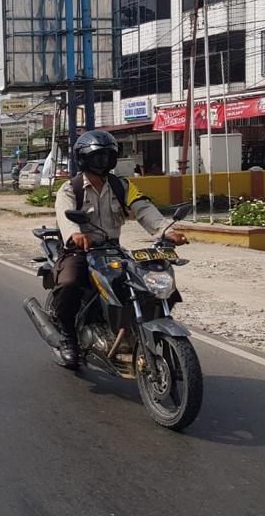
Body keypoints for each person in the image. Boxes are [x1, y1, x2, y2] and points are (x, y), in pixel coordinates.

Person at [52, 131, 188, 365]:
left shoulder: (122, 185)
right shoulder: (70, 188)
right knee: (70, 283)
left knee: (152, 284)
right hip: (80, 250)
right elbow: (65, 216)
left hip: (112, 249)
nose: (103, 161)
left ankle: (134, 329)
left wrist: (166, 231)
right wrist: (75, 233)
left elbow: (144, 209)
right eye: (97, 156)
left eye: (107, 156)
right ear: (84, 158)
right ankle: (67, 336)